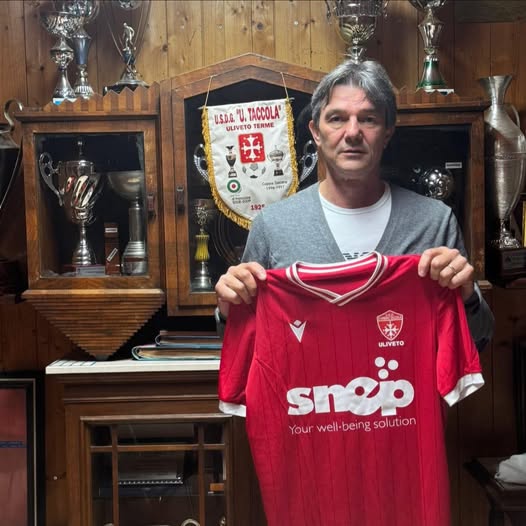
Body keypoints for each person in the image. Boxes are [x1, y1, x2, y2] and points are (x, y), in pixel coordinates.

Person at [215, 59, 494, 349]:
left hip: (405, 379)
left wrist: (467, 297)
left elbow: (479, 341)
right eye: (337, 118)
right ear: (316, 132)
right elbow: (241, 345)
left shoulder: (434, 222)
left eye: (368, 119)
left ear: (387, 132)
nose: (352, 132)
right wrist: (227, 310)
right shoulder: (273, 226)